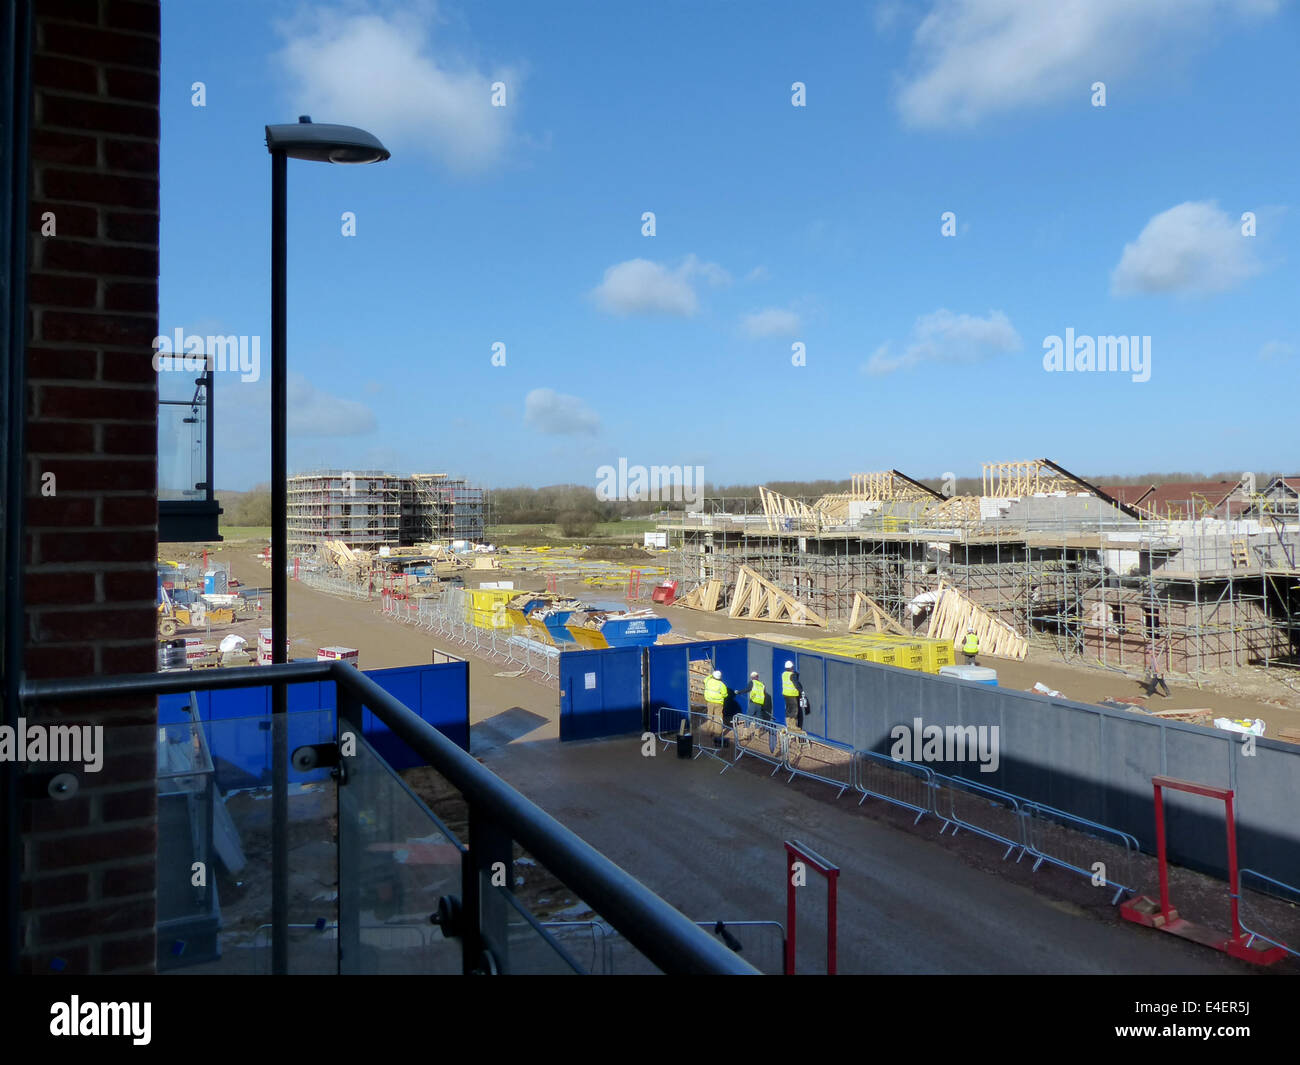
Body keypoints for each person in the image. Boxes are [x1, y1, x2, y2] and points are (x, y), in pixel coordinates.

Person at [703, 668, 729, 746]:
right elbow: (725, 694)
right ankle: (717, 733)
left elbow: (705, 679)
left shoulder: (708, 681)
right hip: (718, 703)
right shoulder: (722, 684)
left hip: (710, 702)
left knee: (710, 716)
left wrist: (711, 675)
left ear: (713, 676)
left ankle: (709, 731)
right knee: (718, 718)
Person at [781, 660, 806, 731]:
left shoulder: (784, 674)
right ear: (791, 667)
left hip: (786, 694)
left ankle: (788, 725)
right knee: (794, 710)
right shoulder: (792, 675)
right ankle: (793, 726)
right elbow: (796, 684)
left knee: (788, 710)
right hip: (792, 694)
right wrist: (801, 691)